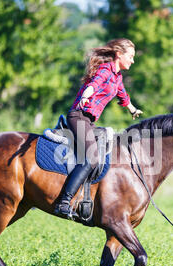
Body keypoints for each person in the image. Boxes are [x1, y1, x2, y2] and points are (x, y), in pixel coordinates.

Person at [54, 38, 143, 219]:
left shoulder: (117, 77)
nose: (133, 61)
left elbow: (123, 96)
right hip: (78, 116)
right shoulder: (105, 70)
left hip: (88, 122)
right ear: (119, 54)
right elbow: (94, 84)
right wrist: (86, 95)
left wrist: (132, 109)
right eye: (131, 56)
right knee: (91, 157)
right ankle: (64, 202)